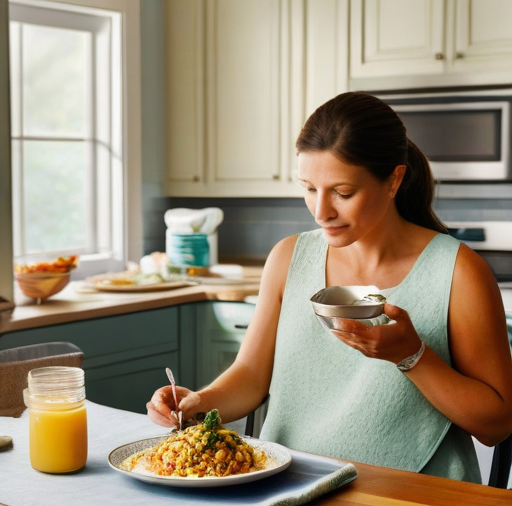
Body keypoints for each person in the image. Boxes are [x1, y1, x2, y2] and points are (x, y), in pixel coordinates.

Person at [147, 91, 512, 483]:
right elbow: (252, 374)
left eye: (343, 192)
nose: (322, 211)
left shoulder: (459, 272)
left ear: (394, 180)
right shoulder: (288, 258)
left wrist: (412, 356)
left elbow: (496, 426)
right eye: (308, 188)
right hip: (288, 483)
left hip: (413, 492)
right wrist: (199, 402)